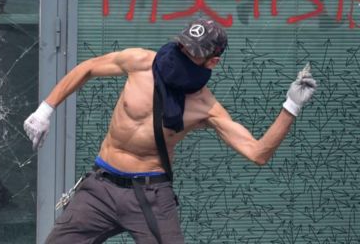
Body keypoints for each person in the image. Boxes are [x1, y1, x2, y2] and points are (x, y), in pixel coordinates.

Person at [23, 18, 317, 244]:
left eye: (194, 53)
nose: (184, 53)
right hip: (101, 187)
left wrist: (291, 106)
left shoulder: (204, 106)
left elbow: (258, 153)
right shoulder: (140, 62)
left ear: (212, 61)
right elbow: (88, 67)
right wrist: (45, 110)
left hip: (150, 195)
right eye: (183, 46)